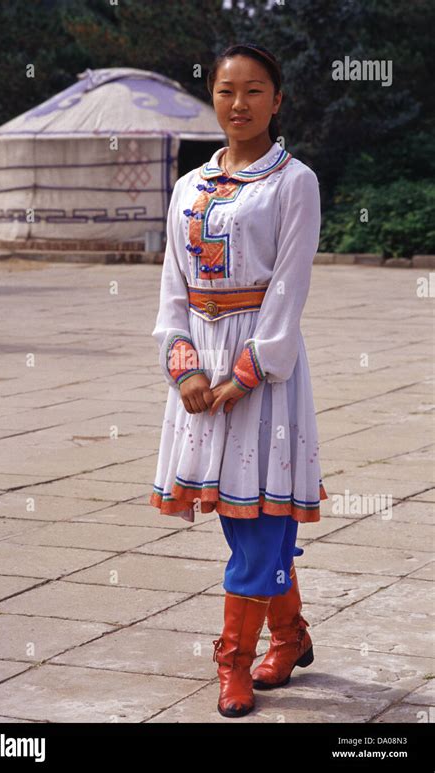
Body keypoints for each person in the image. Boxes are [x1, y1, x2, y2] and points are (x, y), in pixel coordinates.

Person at [149, 42, 328, 719]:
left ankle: (234, 662)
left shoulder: (294, 181)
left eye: (255, 91)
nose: (240, 103)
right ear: (213, 98)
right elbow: (172, 283)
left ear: (277, 101)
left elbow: (289, 285)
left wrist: (250, 370)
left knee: (258, 524)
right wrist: (183, 364)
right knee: (250, 517)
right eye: (227, 90)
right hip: (200, 355)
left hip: (265, 364)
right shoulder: (188, 185)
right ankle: (289, 632)